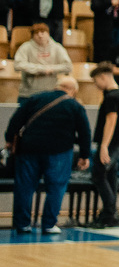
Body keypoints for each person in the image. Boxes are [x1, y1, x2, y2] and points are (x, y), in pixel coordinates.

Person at [6, 76, 92, 235]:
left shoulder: (35, 99)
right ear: (73, 90)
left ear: (57, 86)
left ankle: (23, 224)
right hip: (59, 151)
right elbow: (84, 132)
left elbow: (15, 120)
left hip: (29, 150)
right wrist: (84, 155)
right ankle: (49, 224)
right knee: (56, 188)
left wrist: (9, 140)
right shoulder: (74, 106)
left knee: (25, 187)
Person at [89, 63, 119, 228]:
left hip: (110, 144)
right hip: (115, 142)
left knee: (98, 174)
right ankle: (111, 214)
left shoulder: (112, 96)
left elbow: (111, 121)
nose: (96, 85)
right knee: (111, 177)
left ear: (103, 77)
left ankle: (109, 213)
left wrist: (104, 145)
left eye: (96, 81)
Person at [14, 22, 74, 97]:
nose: (40, 35)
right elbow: (18, 65)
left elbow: (68, 66)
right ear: (32, 36)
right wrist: (41, 69)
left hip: (51, 92)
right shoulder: (25, 47)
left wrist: (51, 69)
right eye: (36, 33)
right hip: (28, 94)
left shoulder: (57, 48)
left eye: (42, 32)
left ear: (48, 34)